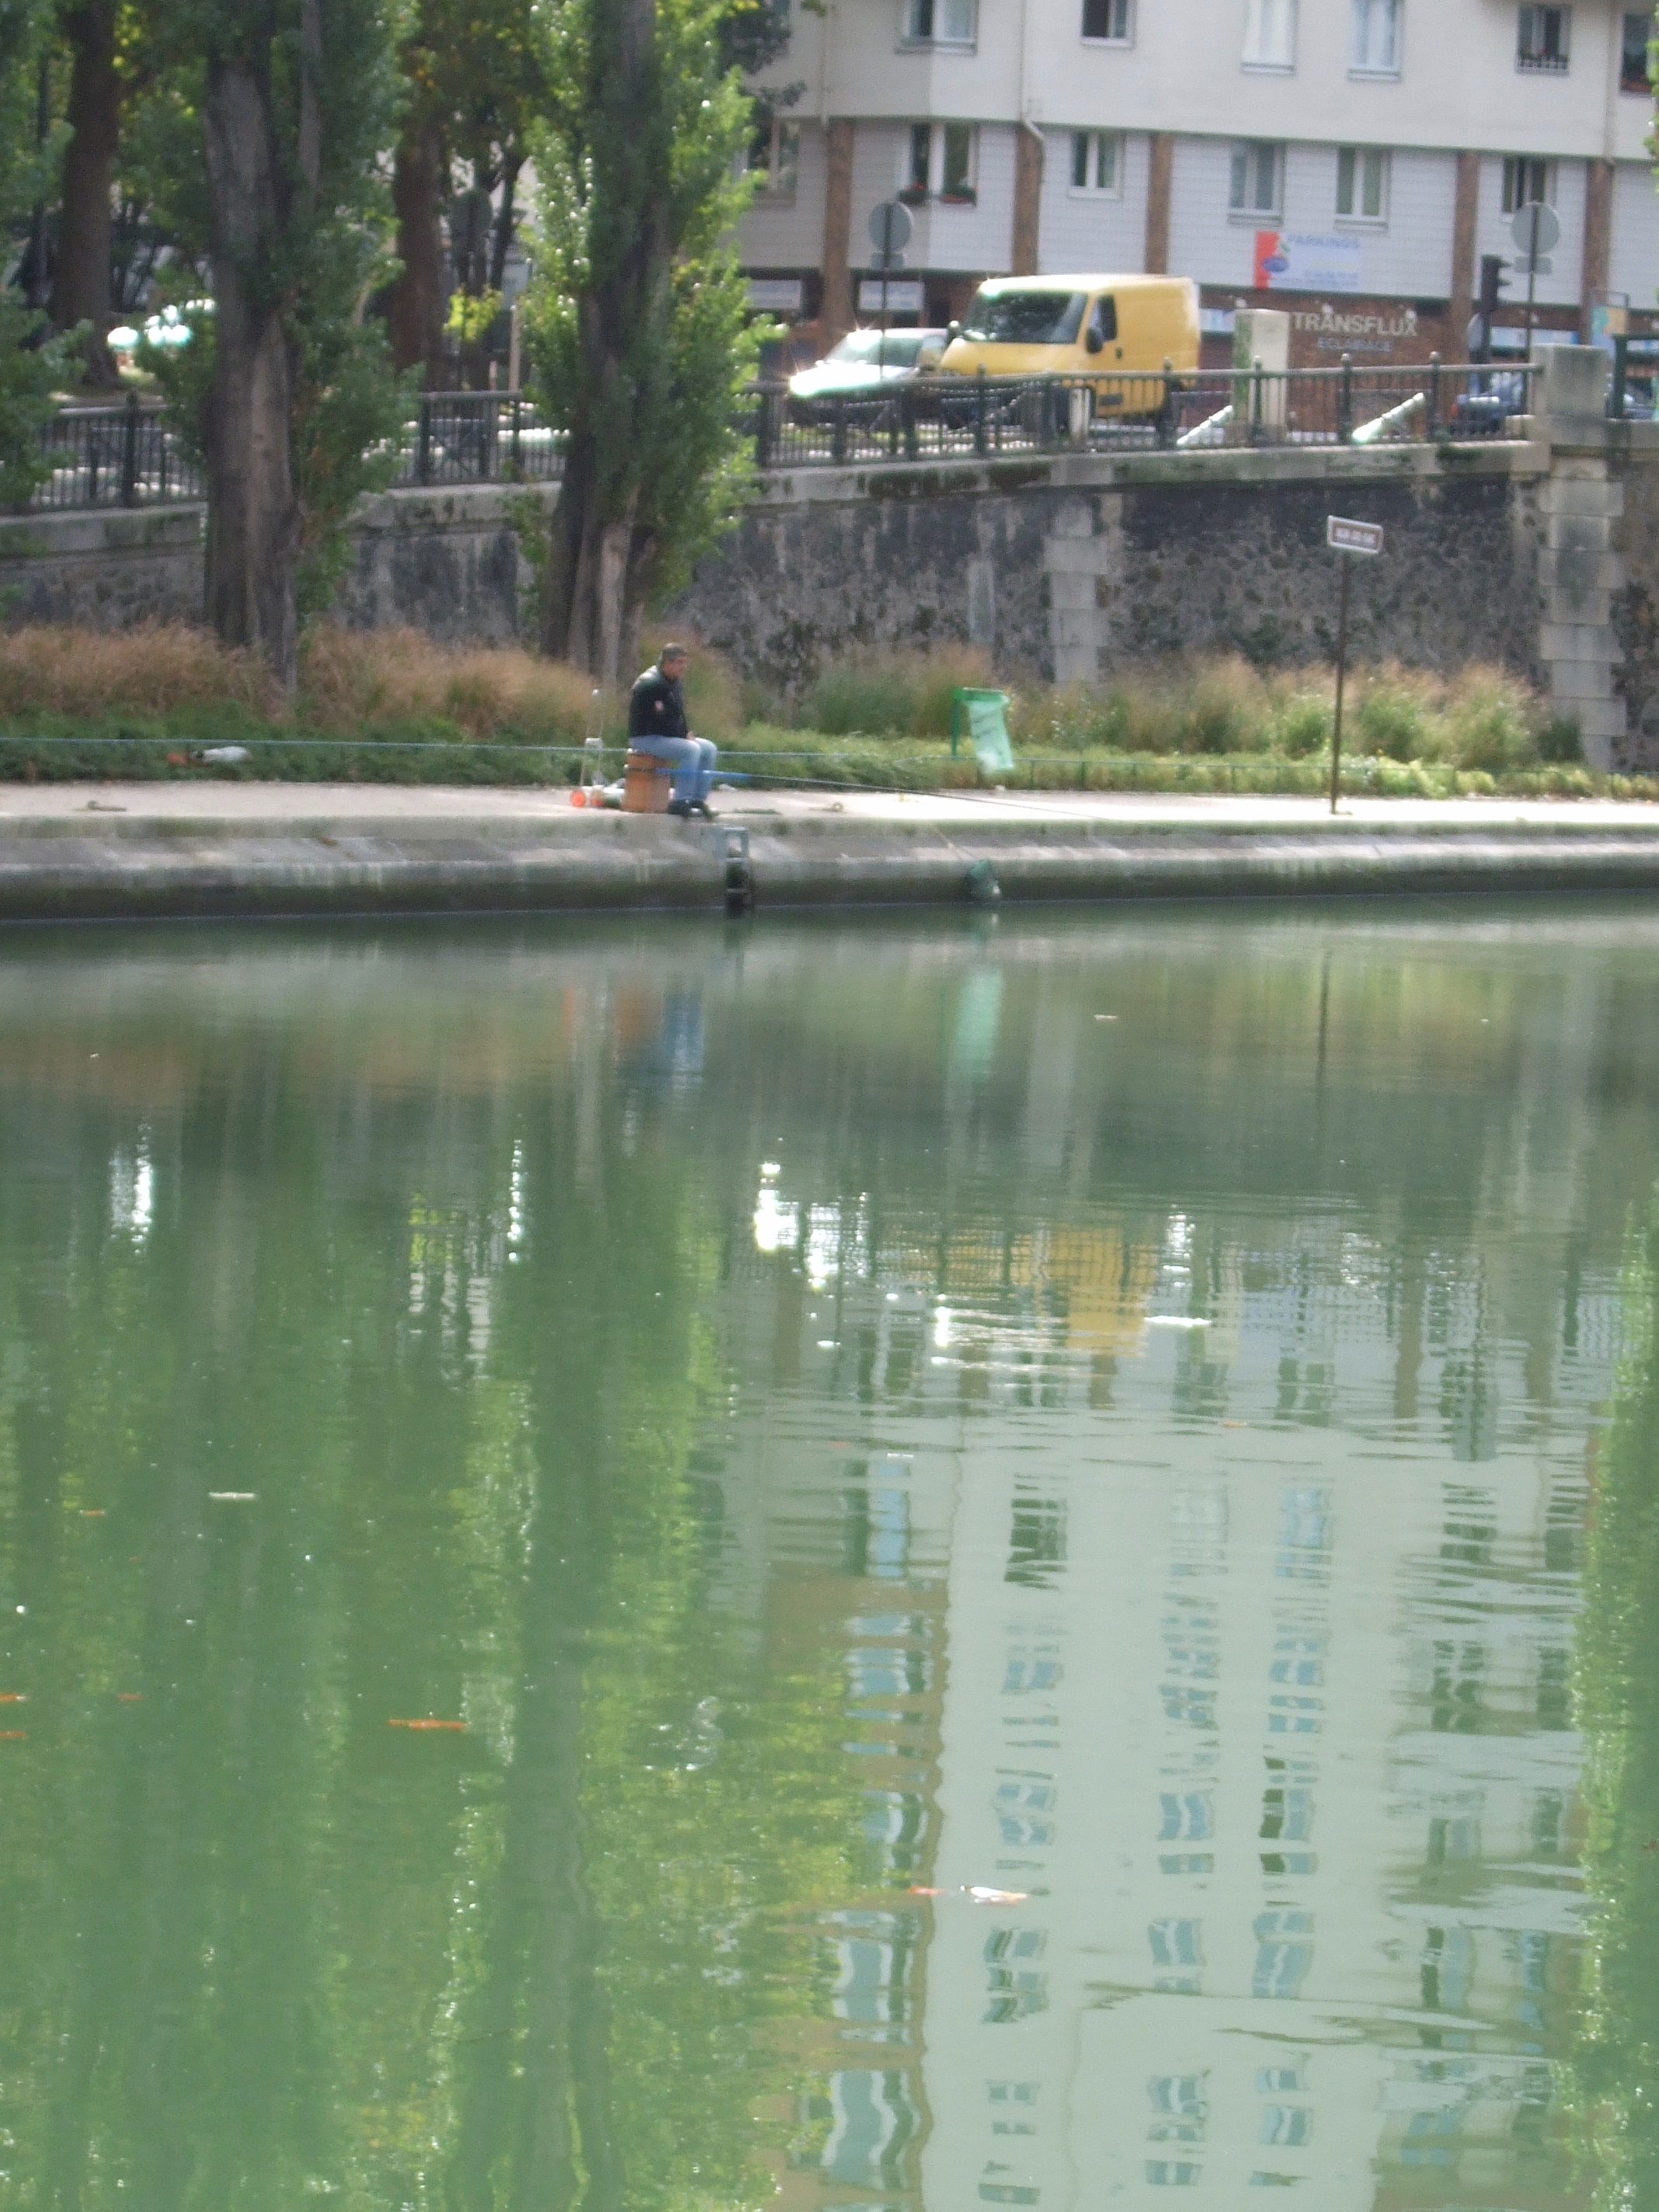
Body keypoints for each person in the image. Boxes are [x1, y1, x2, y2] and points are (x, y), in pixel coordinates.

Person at [627, 644, 718, 817]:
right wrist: (683, 737)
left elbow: (677, 714)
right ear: (667, 663)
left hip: (666, 736)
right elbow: (659, 721)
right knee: (691, 749)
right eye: (680, 662)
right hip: (646, 738)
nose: (684, 667)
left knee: (709, 748)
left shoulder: (673, 682)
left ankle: (697, 800)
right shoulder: (651, 684)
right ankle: (680, 801)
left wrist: (686, 733)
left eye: (685, 662)